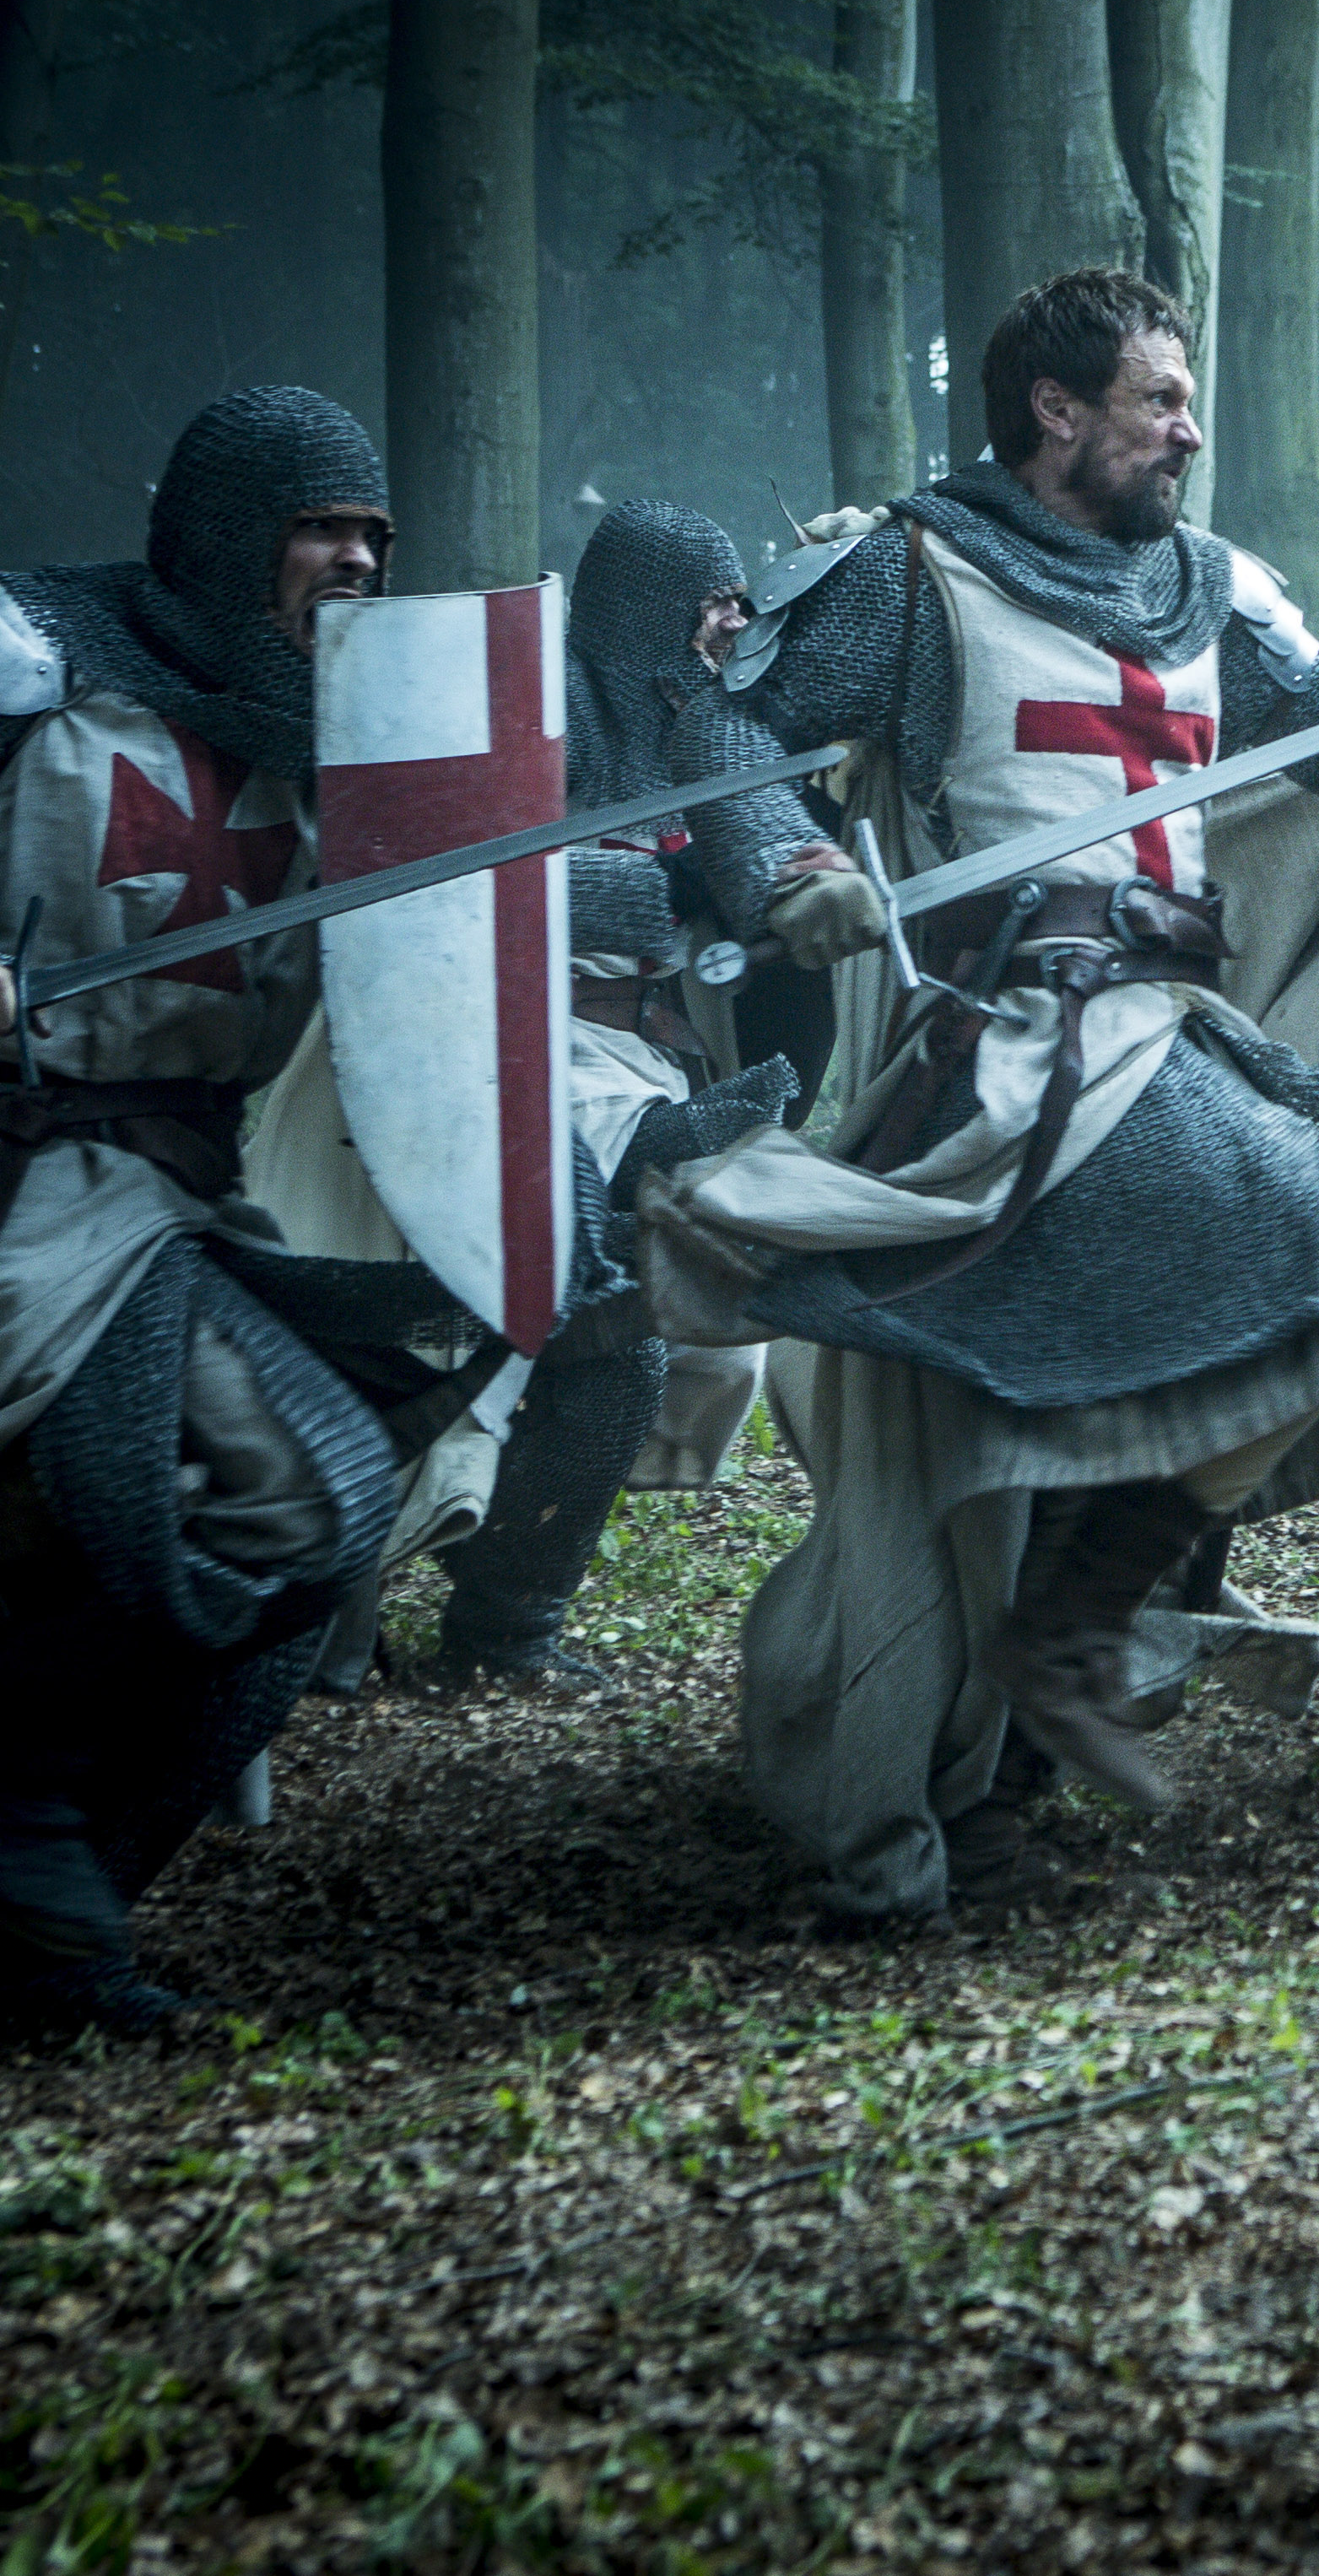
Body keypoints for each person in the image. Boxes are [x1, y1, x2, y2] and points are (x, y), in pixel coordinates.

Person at [641, 269, 1319, 1923]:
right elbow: (725, 729)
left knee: (1075, 1430)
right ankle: (1054, 1657)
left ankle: (1011, 1767)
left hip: (1174, 1026)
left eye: (1187, 397)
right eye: (1158, 399)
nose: (1189, 429)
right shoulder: (914, 572)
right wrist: (788, 865)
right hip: (1013, 1049)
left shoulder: (1211, 590)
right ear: (1055, 411)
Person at [0, 390, 438, 2038]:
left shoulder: (350, 735)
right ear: (223, 538)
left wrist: (744, 871)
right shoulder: (35, 659)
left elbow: (504, 885)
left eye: (375, 534)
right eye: (322, 529)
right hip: (37, 1194)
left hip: (188, 1196)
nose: (357, 561)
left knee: (292, 1575)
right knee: (300, 1503)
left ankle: (56, 1935)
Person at [423, 502, 797, 1686]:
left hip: (640, 1047)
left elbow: (757, 854)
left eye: (739, 600)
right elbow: (452, 873)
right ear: (645, 611)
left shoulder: (700, 729)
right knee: (609, 1321)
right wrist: (655, 899)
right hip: (521, 1048)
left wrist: (779, 890)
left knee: (688, 1329)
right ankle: (501, 1628)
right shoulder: (544, 712)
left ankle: (501, 1594)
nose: (731, 622)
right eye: (712, 602)